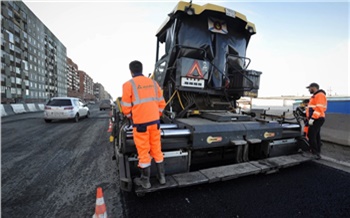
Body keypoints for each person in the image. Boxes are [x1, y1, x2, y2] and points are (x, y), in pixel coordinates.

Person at [120, 60, 167, 189]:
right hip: (155, 123)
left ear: (131, 71)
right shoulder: (153, 83)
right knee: (157, 149)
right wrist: (156, 115)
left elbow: (125, 107)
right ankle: (162, 177)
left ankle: (145, 181)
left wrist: (131, 117)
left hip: (140, 125)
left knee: (144, 153)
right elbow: (162, 104)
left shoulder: (128, 85)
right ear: (142, 69)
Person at [306, 82, 327, 159]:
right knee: (316, 135)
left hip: (317, 118)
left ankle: (315, 152)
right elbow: (312, 108)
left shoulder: (320, 95)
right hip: (316, 118)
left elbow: (319, 108)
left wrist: (313, 118)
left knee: (311, 135)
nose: (309, 90)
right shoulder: (315, 96)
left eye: (309, 88)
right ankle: (317, 152)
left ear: (313, 87)